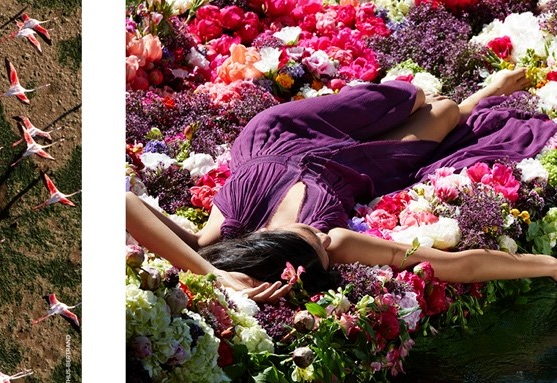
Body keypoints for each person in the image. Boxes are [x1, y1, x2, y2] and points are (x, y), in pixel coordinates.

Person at [127, 68, 557, 301]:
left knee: (412, 95)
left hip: (279, 134)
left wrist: (212, 273)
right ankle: (482, 94)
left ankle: (405, 103)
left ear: (264, 243)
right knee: (444, 111)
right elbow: (458, 264)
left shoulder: (213, 236)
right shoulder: (334, 244)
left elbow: (124, 202)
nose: (322, 235)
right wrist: (550, 267)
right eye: (321, 242)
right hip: (352, 166)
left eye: (309, 235)